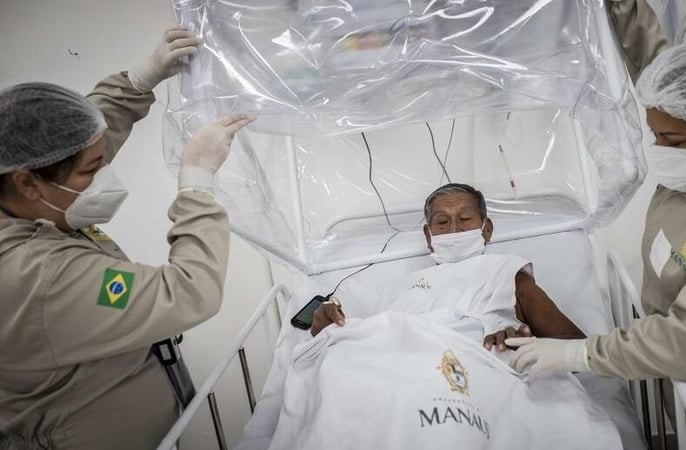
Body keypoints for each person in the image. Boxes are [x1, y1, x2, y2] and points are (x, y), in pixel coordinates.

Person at [507, 41, 686, 450]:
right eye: (653, 135)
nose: (660, 152)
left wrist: (577, 354)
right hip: (682, 380)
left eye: (674, 141)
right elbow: (652, 50)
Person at [0, 26, 255, 449]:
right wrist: (196, 182)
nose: (105, 177)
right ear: (29, 183)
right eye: (92, 171)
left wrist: (138, 80)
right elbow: (189, 292)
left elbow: (72, 142)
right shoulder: (40, 278)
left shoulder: (23, 193)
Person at [310, 183, 585, 348]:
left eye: (465, 219)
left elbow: (576, 348)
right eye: (442, 222)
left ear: (486, 230)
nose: (453, 229)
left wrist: (526, 345)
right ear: (429, 236)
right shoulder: (399, 287)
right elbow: (368, 340)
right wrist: (328, 323)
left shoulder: (507, 272)